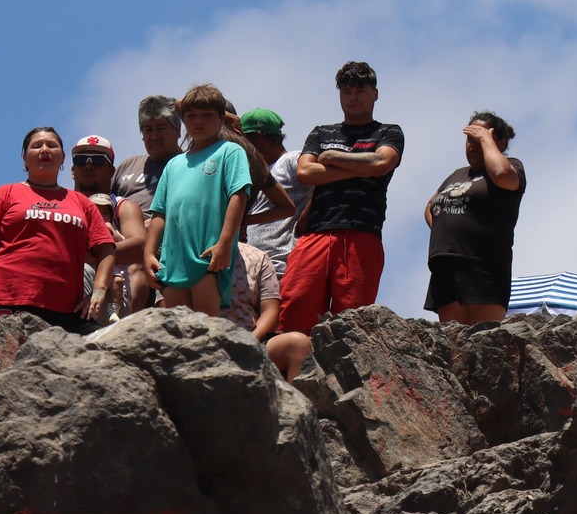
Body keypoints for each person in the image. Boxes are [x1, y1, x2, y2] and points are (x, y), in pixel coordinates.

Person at [279, 61, 406, 334]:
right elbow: (305, 172)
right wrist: (360, 169)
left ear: (375, 93)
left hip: (362, 233)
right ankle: (293, 374)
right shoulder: (321, 132)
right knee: (295, 305)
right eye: (346, 91)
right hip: (316, 233)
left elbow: (382, 163)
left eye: (360, 90)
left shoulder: (388, 132)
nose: (353, 97)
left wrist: (333, 158)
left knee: (354, 322)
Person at [0, 127, 116, 334]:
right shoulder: (4, 194)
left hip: (67, 310)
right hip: (10, 303)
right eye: (37, 146)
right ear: (24, 158)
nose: (45, 150)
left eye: (52, 145)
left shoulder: (82, 204)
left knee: (102, 348)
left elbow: (106, 250)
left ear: (63, 158)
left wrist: (98, 290)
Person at [145, 84, 253, 316]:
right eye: (191, 116)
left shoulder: (230, 151)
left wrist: (225, 243)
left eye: (207, 115)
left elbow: (238, 196)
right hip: (172, 261)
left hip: (208, 256)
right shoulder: (174, 163)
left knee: (206, 327)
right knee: (178, 329)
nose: (198, 121)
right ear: (183, 120)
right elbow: (159, 212)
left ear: (221, 118)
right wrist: (149, 253)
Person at [422, 111, 526, 324]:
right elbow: (431, 206)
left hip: (482, 264)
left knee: (485, 340)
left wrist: (486, 139)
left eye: (478, 139)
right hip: (446, 263)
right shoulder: (458, 174)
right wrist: (447, 232)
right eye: (470, 139)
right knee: (452, 343)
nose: (472, 145)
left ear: (500, 142)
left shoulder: (512, 166)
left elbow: (500, 173)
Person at [112, 94, 181, 309]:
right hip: (120, 237)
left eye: (161, 128)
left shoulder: (188, 165)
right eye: (148, 129)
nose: (154, 135)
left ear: (177, 131)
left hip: (165, 243)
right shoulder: (128, 166)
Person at [69, 134, 147, 322]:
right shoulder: (62, 204)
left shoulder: (122, 206)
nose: (88, 165)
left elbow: (139, 248)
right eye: (82, 160)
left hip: (113, 296)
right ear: (72, 170)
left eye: (97, 161)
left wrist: (87, 255)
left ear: (111, 171)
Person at [239, 108, 307, 279]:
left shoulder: (292, 159)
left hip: (280, 263)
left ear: (258, 137)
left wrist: (303, 225)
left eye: (243, 140)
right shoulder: (256, 173)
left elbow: (326, 184)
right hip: (251, 265)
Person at [225, 240, 282, 340]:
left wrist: (251, 341)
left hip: (250, 338)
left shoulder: (257, 257)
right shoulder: (191, 255)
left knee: (297, 342)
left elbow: (270, 310)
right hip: (201, 339)